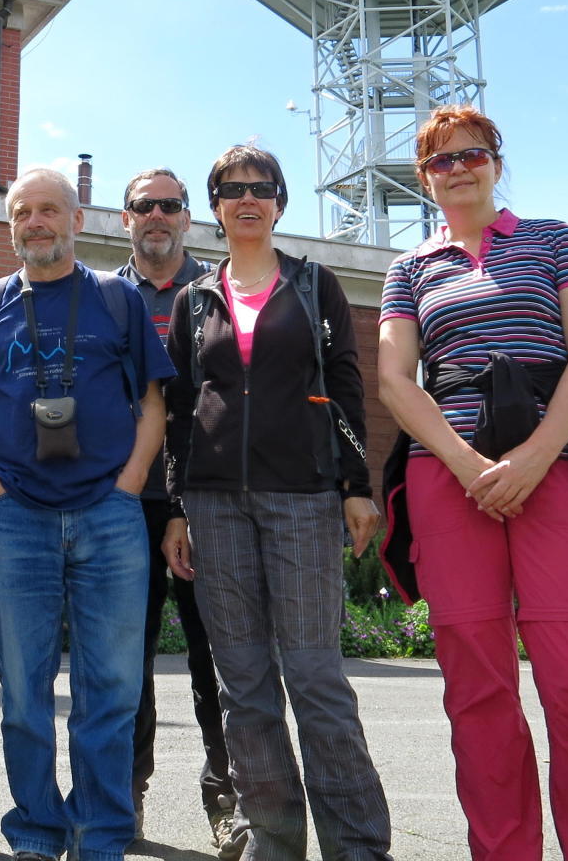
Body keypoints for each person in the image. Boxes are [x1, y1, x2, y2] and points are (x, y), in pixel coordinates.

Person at [376, 105, 568, 860]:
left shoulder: (554, 239)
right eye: (441, 160)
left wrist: (534, 457)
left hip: (552, 467)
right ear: (425, 179)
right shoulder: (409, 269)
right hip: (449, 477)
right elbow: (397, 382)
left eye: (473, 154)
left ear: (497, 163)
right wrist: (468, 465)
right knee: (478, 694)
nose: (459, 168)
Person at [0, 166, 175, 861]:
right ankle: (35, 832)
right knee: (25, 695)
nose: (35, 222)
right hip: (18, 521)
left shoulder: (117, 300)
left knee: (112, 690)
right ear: (11, 226)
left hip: (109, 518)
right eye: (22, 212)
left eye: (48, 210)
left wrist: (129, 482)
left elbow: (154, 400)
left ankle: (101, 837)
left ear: (77, 219)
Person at [163, 145, 392, 861]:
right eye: (232, 190)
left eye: (260, 188)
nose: (247, 199)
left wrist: (356, 486)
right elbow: (177, 406)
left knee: (315, 675)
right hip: (214, 505)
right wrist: (176, 505)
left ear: (281, 202)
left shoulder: (314, 284)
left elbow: (348, 386)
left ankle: (357, 844)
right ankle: (274, 835)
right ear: (217, 207)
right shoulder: (193, 299)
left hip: (303, 498)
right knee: (244, 682)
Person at [115, 167, 236, 854]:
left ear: (188, 217)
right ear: (124, 218)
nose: (156, 214)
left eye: (169, 205)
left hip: (204, 497)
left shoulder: (217, 290)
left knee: (214, 658)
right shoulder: (100, 296)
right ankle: (126, 797)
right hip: (124, 500)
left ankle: (228, 803)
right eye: (143, 205)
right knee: (123, 658)